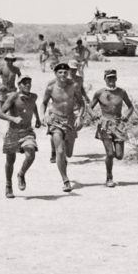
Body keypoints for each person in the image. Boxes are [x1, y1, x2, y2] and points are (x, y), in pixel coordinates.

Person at [41, 62, 85, 192]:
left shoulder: (74, 86)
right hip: (56, 120)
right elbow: (43, 103)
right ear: (55, 74)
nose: (63, 74)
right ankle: (65, 180)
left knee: (69, 154)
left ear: (68, 73)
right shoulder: (50, 88)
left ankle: (61, 156)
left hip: (70, 121)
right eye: (60, 72)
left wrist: (79, 117)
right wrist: (43, 115)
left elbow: (82, 104)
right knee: (60, 151)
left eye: (65, 72)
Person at [0, 75, 41, 199]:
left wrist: (37, 118)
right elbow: (0, 113)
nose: (28, 85)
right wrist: (13, 118)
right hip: (13, 132)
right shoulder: (13, 97)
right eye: (25, 83)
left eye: (29, 83)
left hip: (27, 131)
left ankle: (21, 174)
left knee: (30, 154)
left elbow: (33, 105)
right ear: (19, 85)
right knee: (10, 161)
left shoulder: (33, 96)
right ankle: (8, 185)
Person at [90, 69, 134, 187]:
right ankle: (109, 178)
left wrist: (127, 116)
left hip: (119, 124)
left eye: (113, 78)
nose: (111, 80)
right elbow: (89, 106)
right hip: (105, 125)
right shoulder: (99, 93)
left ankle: (110, 159)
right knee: (109, 154)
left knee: (119, 155)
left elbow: (130, 106)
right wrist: (94, 115)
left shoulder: (122, 92)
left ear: (116, 79)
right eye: (109, 78)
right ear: (104, 79)